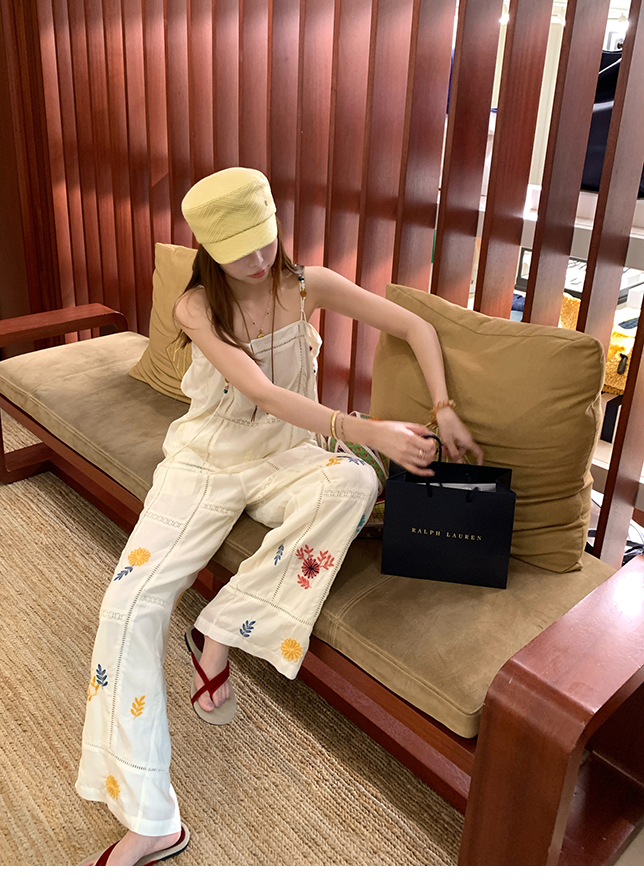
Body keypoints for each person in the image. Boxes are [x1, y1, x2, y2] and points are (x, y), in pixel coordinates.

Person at [78, 167, 482, 866]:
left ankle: (217, 630)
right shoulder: (195, 308)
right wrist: (366, 427)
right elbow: (261, 392)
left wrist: (443, 408)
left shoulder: (306, 284)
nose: (260, 259)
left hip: (287, 455)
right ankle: (151, 818)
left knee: (354, 482)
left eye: (265, 240)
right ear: (209, 249)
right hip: (206, 461)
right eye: (240, 250)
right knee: (127, 605)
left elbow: (415, 325)